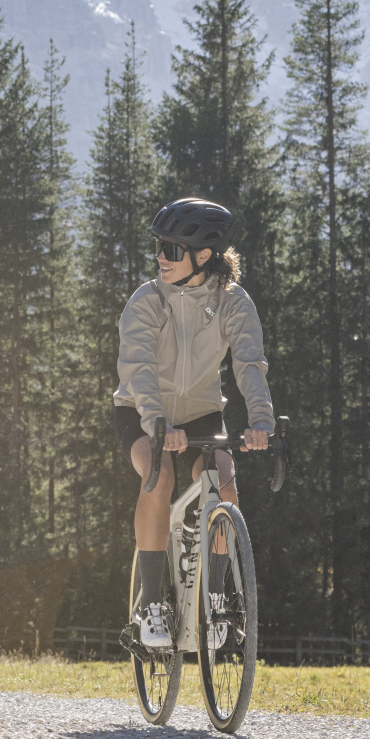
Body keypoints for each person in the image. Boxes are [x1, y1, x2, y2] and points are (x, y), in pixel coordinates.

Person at [111, 197, 274, 650]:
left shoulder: (233, 303)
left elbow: (248, 364)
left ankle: (219, 602)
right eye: (159, 247)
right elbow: (138, 368)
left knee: (224, 483)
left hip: (202, 411)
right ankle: (149, 606)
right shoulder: (146, 301)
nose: (161, 257)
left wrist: (260, 421)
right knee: (157, 473)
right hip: (141, 410)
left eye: (172, 249)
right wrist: (159, 422)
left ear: (203, 257)